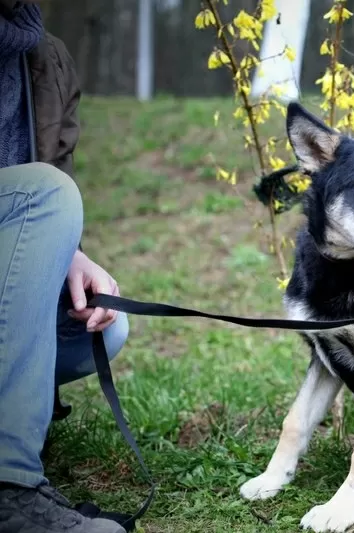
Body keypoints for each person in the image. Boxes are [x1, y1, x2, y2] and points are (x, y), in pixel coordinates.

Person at [0, 2, 131, 532]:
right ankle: (10, 487)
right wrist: (40, 204)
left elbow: (39, 189)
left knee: (106, 329)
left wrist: (69, 252)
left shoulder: (45, 58)